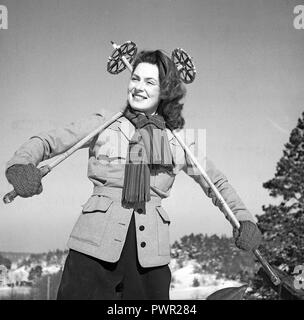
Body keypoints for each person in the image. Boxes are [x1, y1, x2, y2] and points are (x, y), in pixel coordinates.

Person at [5, 50, 262, 300]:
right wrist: (22, 164)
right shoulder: (105, 123)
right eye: (135, 78)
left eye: (150, 82)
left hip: (150, 258)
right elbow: (48, 140)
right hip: (93, 248)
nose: (138, 87)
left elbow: (216, 183)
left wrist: (243, 219)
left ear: (166, 90)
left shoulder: (179, 141)